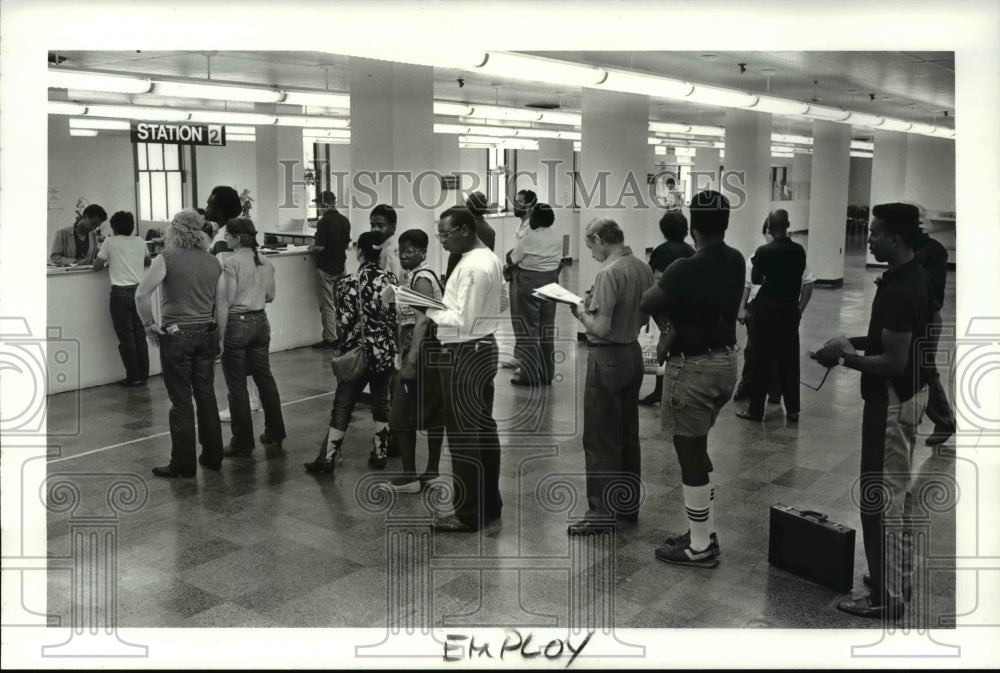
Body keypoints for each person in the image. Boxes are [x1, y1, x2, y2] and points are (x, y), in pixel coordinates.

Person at [813, 202, 932, 619]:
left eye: (875, 233)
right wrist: (852, 342)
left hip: (891, 402)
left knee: (879, 498)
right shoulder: (907, 276)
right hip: (903, 398)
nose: (868, 239)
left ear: (895, 238)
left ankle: (886, 597)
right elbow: (886, 341)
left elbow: (893, 363)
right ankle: (895, 579)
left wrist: (842, 359)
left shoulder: (902, 290)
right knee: (892, 494)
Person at [639, 190, 744, 568]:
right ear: (726, 222)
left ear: (693, 225)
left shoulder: (684, 267)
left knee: (689, 454)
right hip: (726, 364)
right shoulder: (735, 260)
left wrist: (667, 327)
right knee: (699, 449)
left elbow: (647, 302)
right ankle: (704, 531)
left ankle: (700, 547)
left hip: (694, 367)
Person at [417, 206, 505, 532]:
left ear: (465, 230)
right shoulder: (488, 258)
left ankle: (467, 513)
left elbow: (462, 322)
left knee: (464, 437)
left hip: (464, 353)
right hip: (483, 346)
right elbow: (503, 301)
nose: (441, 240)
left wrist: (422, 304)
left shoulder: (473, 268)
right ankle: (489, 505)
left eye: (445, 234)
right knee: (483, 430)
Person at [567, 218, 654, 534]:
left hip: (608, 357)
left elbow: (600, 327)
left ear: (599, 238)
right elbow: (645, 315)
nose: (590, 253)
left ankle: (600, 513)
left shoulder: (609, 273)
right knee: (628, 433)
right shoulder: (641, 267)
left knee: (601, 437)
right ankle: (627, 505)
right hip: (632, 353)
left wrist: (580, 312)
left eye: (590, 246)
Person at [136, 209, 224, 478]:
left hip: (177, 334)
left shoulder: (166, 258)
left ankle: (183, 464)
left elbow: (141, 294)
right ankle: (213, 456)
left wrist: (149, 325)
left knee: (181, 401)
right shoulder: (213, 261)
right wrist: (218, 336)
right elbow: (221, 303)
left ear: (174, 230)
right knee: (206, 396)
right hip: (207, 332)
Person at [305, 231, 398, 474]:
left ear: (359, 252)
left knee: (343, 405)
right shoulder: (391, 280)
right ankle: (380, 453)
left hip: (357, 352)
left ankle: (327, 458)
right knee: (382, 402)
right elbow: (393, 317)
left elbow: (343, 322)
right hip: (384, 352)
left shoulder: (347, 283)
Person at [214, 217, 286, 458]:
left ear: (237, 238)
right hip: (261, 323)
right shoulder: (266, 262)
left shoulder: (231, 262)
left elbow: (226, 302)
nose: (225, 238)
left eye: (227, 235)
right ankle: (275, 433)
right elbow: (270, 296)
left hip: (238, 324)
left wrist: (220, 337)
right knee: (265, 379)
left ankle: (242, 442)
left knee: (237, 386)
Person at [381, 229, 446, 492]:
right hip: (424, 347)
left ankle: (410, 475)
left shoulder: (421, 279)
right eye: (401, 251)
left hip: (420, 347)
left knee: (400, 413)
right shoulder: (416, 276)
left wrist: (409, 361)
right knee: (432, 410)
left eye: (410, 251)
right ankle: (431, 472)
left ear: (422, 252)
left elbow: (421, 321)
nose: (404, 256)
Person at [735, 209, 807, 423]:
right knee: (790, 360)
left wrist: (760, 264)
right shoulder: (799, 250)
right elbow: (800, 274)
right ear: (788, 225)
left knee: (761, 360)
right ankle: (793, 409)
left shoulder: (764, 251)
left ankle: (756, 410)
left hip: (766, 310)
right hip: (789, 309)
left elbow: (756, 280)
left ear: (768, 227)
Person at [639, 210, 696, 405]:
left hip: (666, 308)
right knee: (681, 351)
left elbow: (656, 281)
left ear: (664, 230)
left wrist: (655, 311)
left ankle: (661, 390)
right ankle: (678, 391)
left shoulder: (661, 251)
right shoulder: (691, 251)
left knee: (663, 347)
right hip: (687, 308)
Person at [92, 210, 151, 386]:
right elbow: (147, 262)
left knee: (127, 338)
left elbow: (96, 266)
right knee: (140, 336)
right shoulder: (140, 241)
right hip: (140, 292)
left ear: (114, 227)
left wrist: (113, 261)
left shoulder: (110, 242)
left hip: (120, 294)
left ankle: (133, 377)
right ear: (132, 226)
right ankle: (143, 375)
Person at [508, 203, 562, 386]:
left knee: (529, 330)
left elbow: (512, 259)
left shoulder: (529, 238)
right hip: (552, 282)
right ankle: (547, 373)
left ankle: (529, 375)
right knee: (547, 329)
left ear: (535, 218)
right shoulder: (557, 235)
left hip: (530, 283)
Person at [911, 226, 955, 445]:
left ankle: (944, 420)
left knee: (925, 368)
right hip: (917, 315)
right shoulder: (914, 248)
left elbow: (931, 290)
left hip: (927, 317)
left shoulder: (933, 250)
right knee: (918, 366)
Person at [309, 190, 352, 349]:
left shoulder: (324, 222)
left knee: (328, 304)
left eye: (318, 204)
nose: (318, 208)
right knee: (340, 303)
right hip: (341, 266)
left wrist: (311, 247)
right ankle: (342, 335)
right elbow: (346, 244)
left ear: (325, 204)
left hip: (326, 268)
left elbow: (320, 247)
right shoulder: (345, 220)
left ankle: (330, 338)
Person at [503, 189, 537, 372]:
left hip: (524, 275)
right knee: (517, 317)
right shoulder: (522, 225)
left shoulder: (531, 226)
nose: (516, 205)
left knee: (525, 318)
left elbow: (525, 254)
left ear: (530, 205)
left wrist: (510, 265)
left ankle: (526, 361)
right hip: (516, 274)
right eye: (516, 201)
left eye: (521, 202)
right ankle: (519, 356)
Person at [446, 191, 495, 279]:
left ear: (468, 207)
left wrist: (447, 280)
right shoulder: (490, 231)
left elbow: (454, 257)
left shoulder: (462, 228)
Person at [370, 203, 403, 283]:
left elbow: (394, 284)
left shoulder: (390, 251)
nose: (375, 229)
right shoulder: (384, 247)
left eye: (380, 226)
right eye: (372, 225)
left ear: (392, 227)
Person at [205, 186, 243, 257]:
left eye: (210, 205)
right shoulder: (235, 232)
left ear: (221, 211)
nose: (206, 209)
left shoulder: (223, 238)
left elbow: (224, 267)